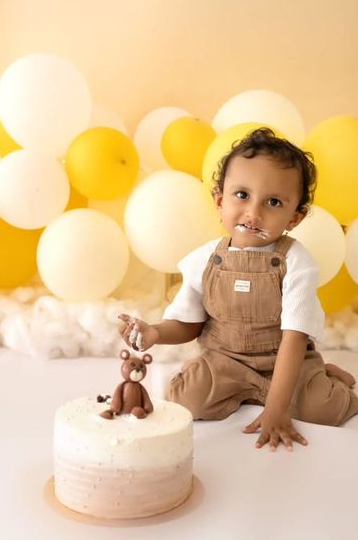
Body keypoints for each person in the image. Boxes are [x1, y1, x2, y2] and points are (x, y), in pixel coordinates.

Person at [119, 128, 358, 451]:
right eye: (242, 195)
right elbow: (189, 324)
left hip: (286, 361)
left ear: (296, 217)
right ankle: (207, 374)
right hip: (226, 360)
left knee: (326, 410)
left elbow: (294, 337)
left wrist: (277, 408)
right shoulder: (204, 260)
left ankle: (328, 377)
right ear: (219, 200)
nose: (254, 213)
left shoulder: (296, 262)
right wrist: (155, 333)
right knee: (185, 402)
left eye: (273, 202)